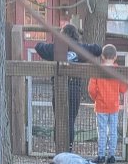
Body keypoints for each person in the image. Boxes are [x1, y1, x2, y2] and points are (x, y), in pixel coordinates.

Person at [34, 22, 102, 152]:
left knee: (59, 120)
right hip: (74, 89)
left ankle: (59, 149)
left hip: (58, 89)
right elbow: (98, 49)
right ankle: (68, 149)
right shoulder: (80, 49)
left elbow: (38, 47)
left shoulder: (56, 49)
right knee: (70, 120)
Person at [87, 44, 125, 164]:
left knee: (102, 131)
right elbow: (123, 88)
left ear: (102, 56)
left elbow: (91, 89)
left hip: (101, 106)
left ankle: (101, 155)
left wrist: (96, 98)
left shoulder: (98, 70)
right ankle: (112, 156)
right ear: (115, 57)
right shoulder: (118, 70)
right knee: (113, 131)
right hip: (113, 106)